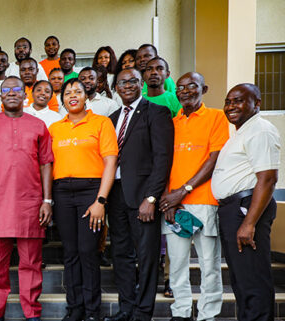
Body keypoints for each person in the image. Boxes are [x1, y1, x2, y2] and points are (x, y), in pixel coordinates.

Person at [0, 76, 54, 321]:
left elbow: (46, 164)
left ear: (24, 95)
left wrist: (47, 201)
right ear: (0, 97)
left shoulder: (38, 125)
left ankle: (32, 313)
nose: (11, 93)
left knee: (31, 263)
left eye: (16, 89)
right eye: (6, 90)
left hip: (30, 204)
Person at [104, 69, 174, 321]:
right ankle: (126, 309)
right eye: (121, 82)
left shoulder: (156, 112)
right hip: (116, 195)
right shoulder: (111, 118)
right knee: (121, 254)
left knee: (146, 255)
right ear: (115, 88)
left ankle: (143, 312)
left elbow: (163, 158)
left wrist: (152, 197)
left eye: (133, 81)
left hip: (143, 197)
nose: (127, 86)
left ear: (141, 84)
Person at [157, 72, 227, 321]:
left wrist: (183, 190)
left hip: (204, 202)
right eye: (180, 87)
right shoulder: (172, 123)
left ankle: (208, 314)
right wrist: (167, 198)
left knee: (209, 266)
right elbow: (163, 164)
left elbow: (214, 158)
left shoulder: (217, 117)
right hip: (174, 206)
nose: (185, 90)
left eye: (192, 86)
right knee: (176, 265)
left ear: (204, 89)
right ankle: (181, 311)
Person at [49, 78, 118, 321]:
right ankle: (74, 309)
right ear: (62, 99)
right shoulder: (55, 128)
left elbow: (110, 161)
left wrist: (101, 200)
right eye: (67, 93)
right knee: (70, 253)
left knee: (88, 251)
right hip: (62, 192)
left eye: (77, 91)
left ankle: (92, 312)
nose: (72, 95)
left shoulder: (101, 123)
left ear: (86, 96)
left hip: (91, 191)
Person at [211, 83, 280, 321]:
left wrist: (249, 223)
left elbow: (268, 178)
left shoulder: (260, 130)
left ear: (257, 103)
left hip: (247, 209)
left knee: (253, 280)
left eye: (238, 100)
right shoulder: (243, 131)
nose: (231, 106)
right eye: (228, 101)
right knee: (242, 280)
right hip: (235, 209)